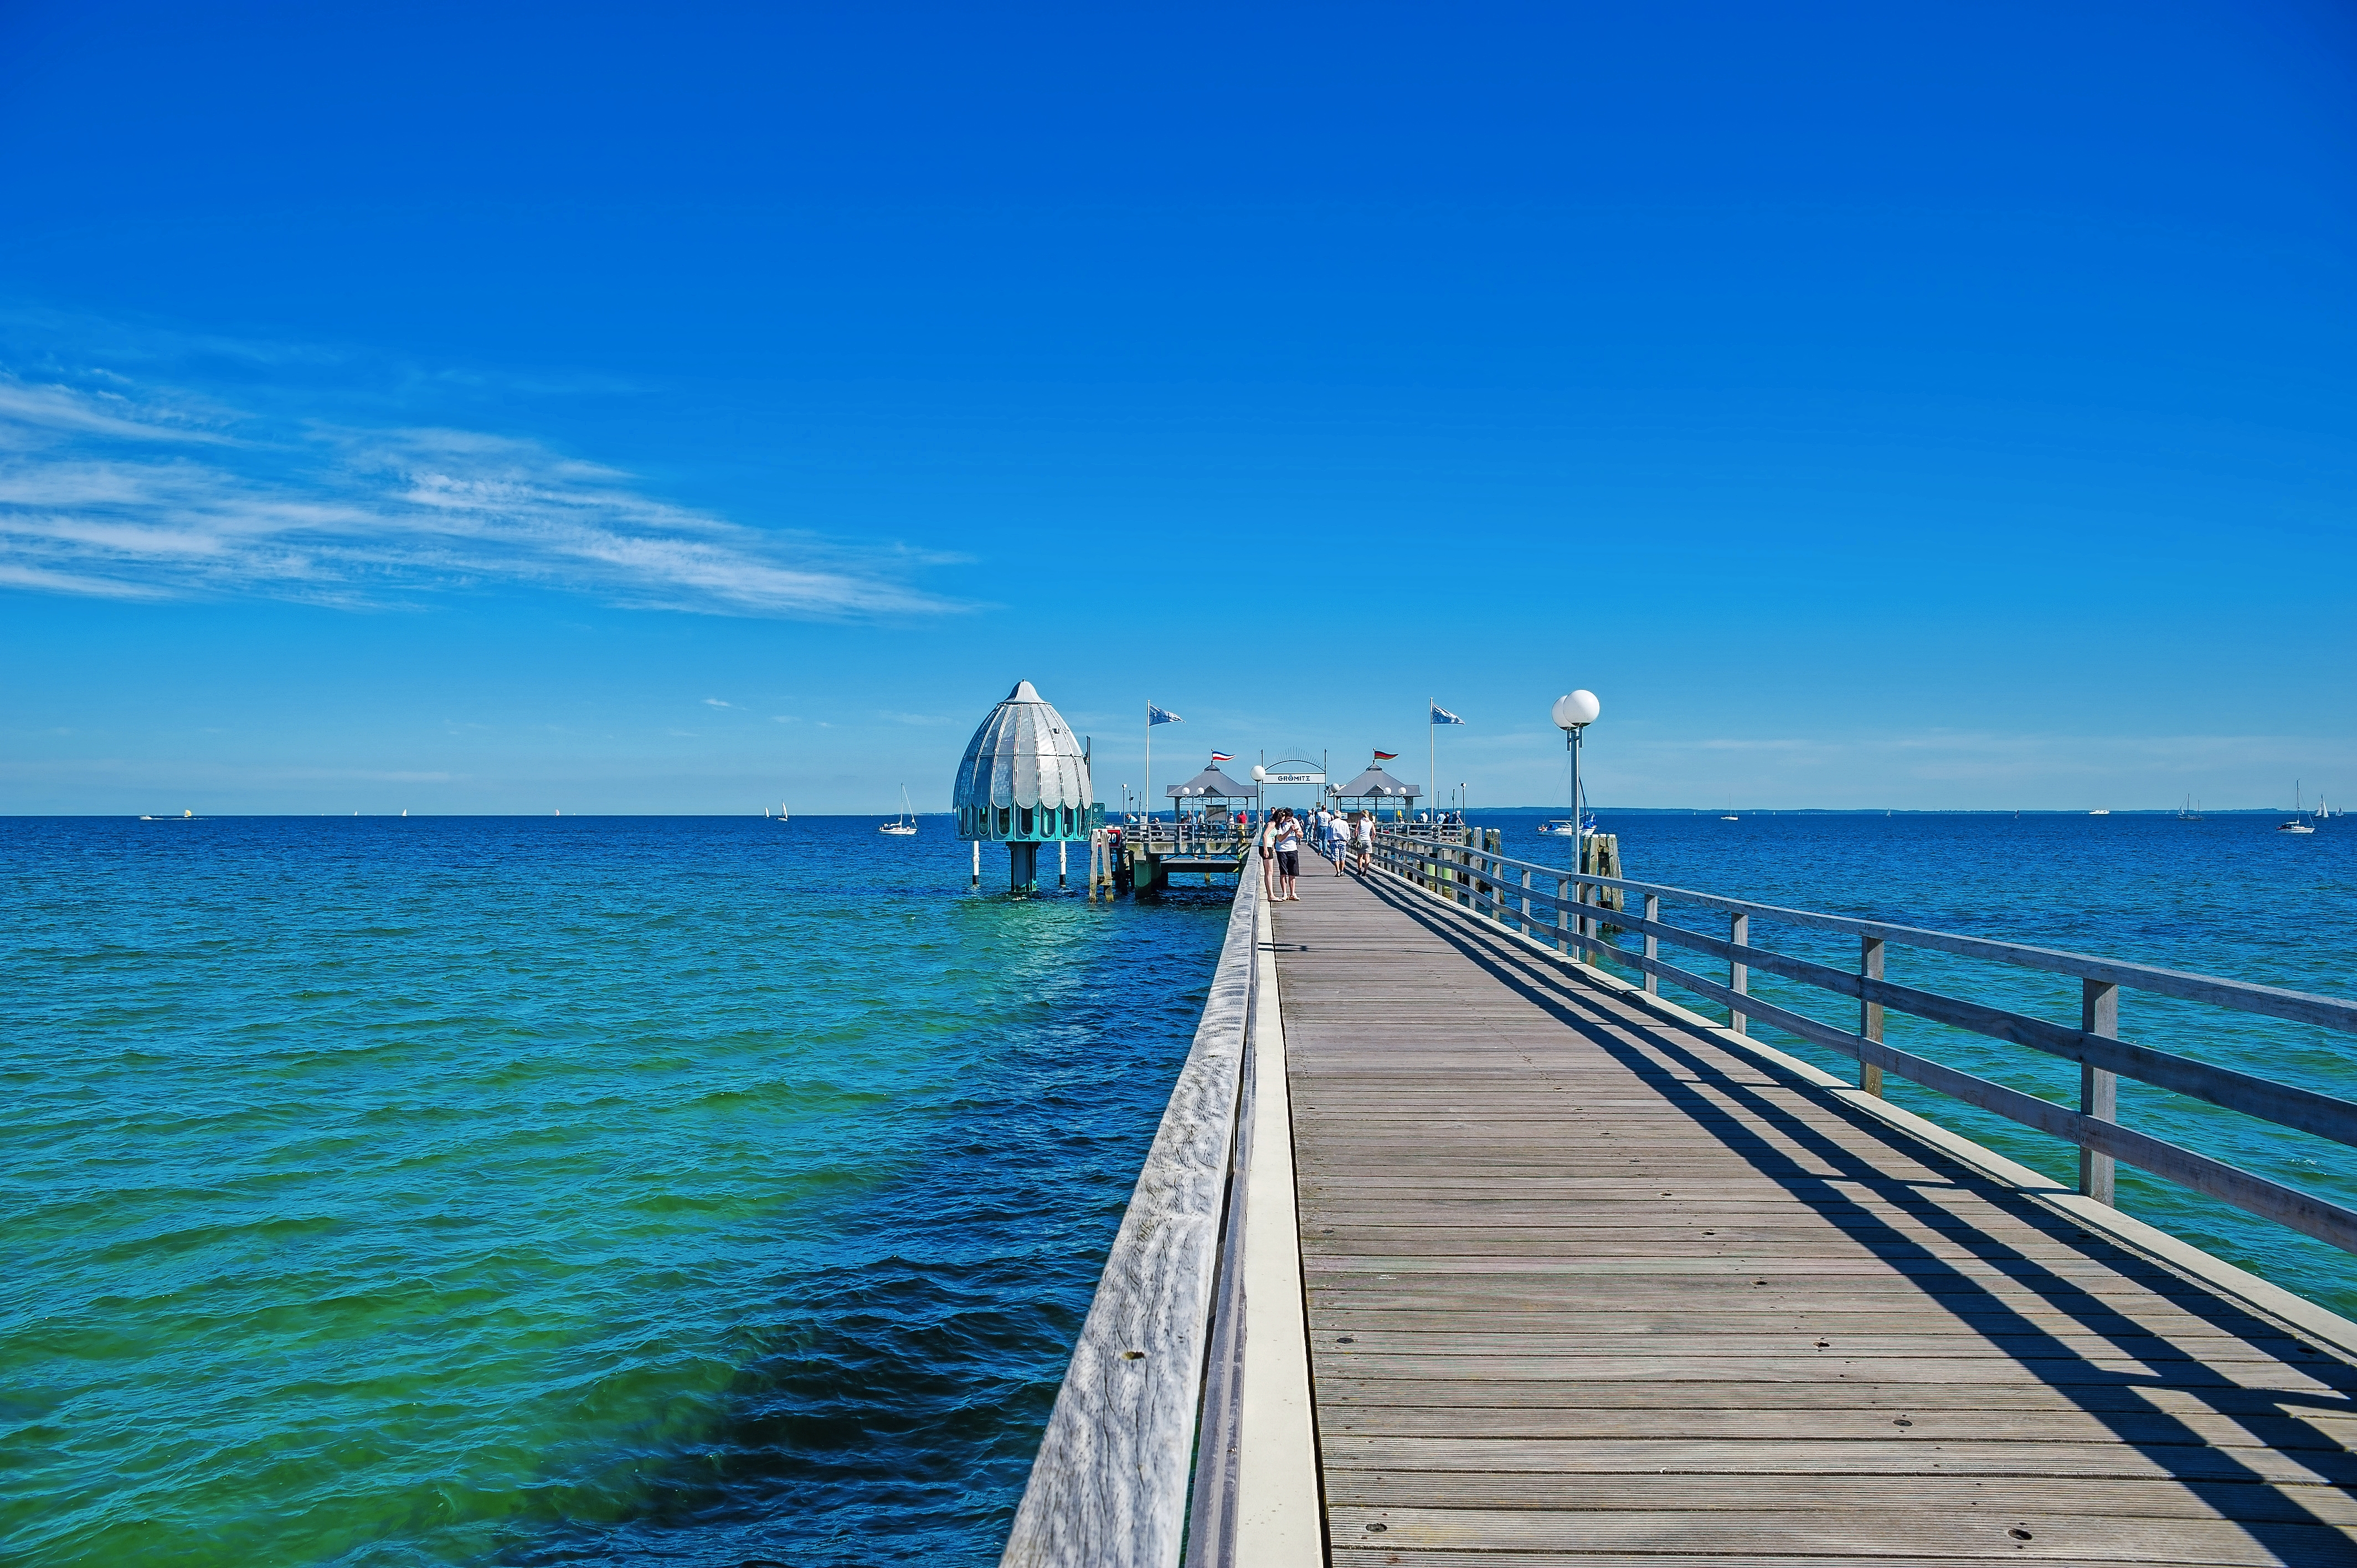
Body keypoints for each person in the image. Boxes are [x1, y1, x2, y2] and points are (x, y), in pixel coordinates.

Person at [1272, 807, 1305, 901]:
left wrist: (1296, 831)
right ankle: (1284, 893)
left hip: (1293, 849)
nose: (1289, 820)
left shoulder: (1295, 821)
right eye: (1288, 819)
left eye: (1290, 818)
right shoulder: (1279, 824)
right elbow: (1280, 838)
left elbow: (1301, 835)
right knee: (1283, 872)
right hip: (1282, 850)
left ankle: (1293, 893)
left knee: (1293, 872)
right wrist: (1290, 830)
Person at [1351, 809, 1373, 875]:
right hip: (1368, 840)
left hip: (1361, 840)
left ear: (1362, 815)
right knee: (1367, 857)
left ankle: (1359, 870)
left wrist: (1356, 838)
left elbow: (1356, 831)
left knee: (1360, 857)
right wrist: (1372, 839)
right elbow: (1374, 833)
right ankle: (1365, 871)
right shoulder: (1371, 823)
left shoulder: (1360, 822)